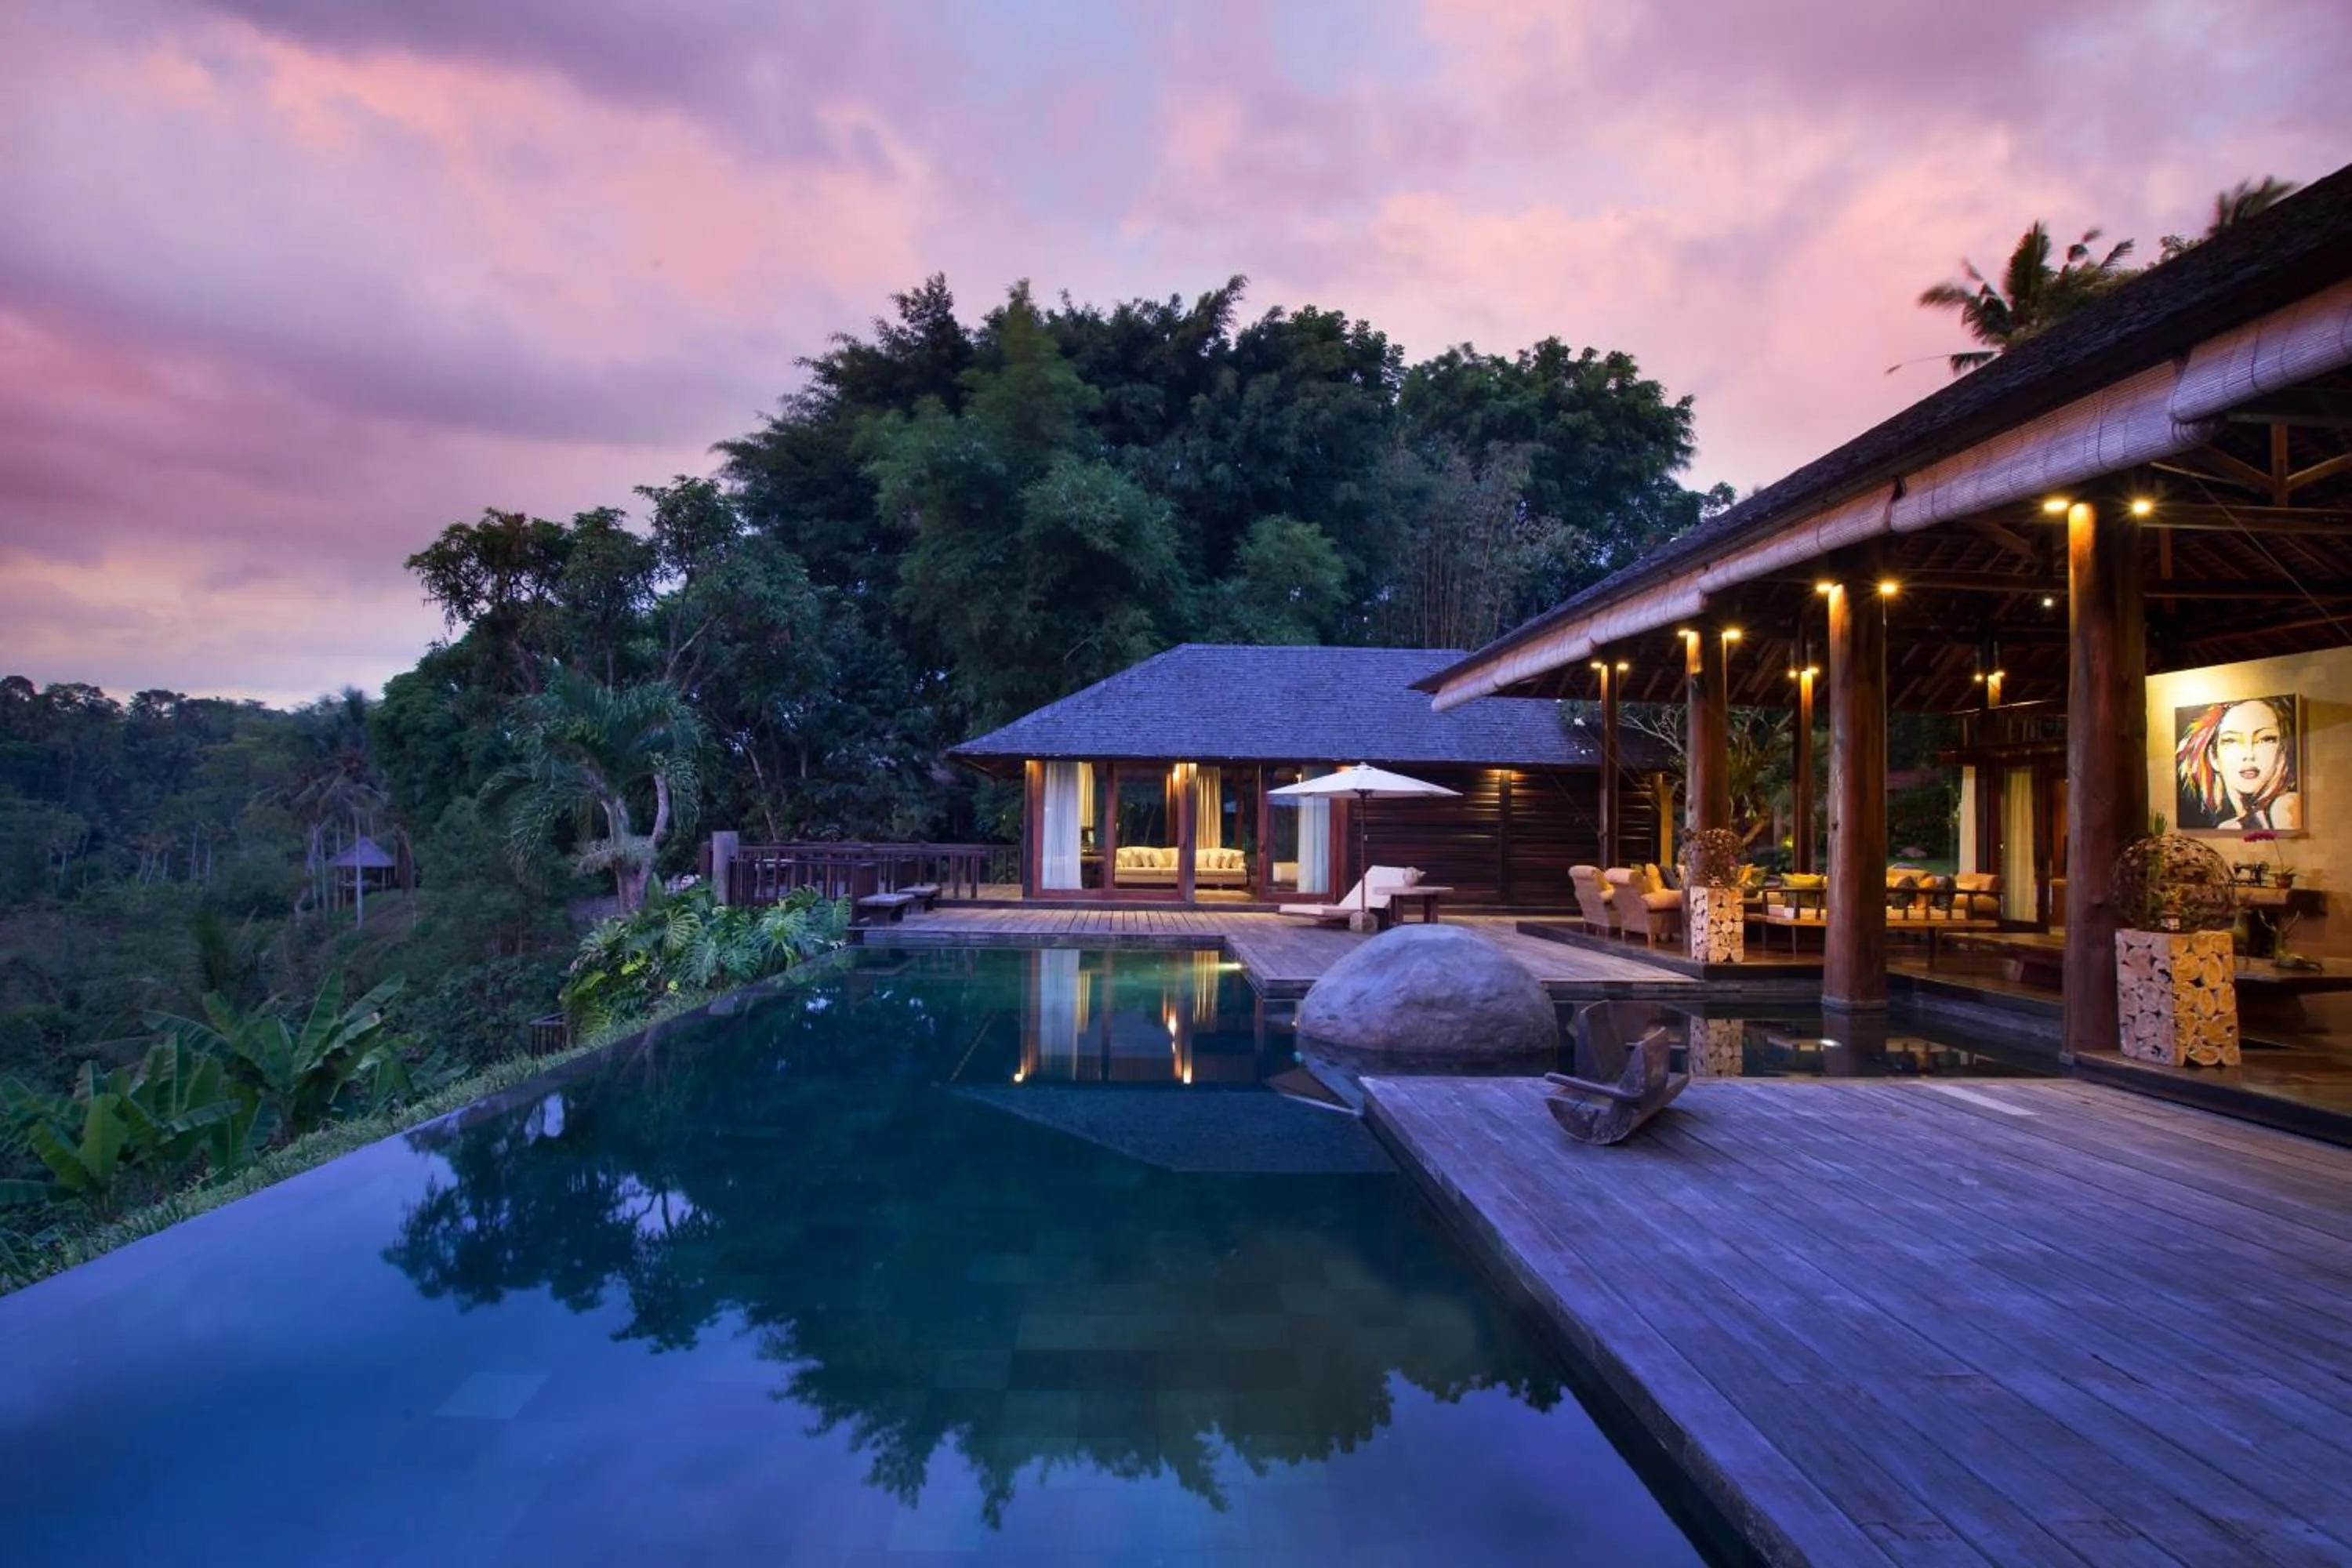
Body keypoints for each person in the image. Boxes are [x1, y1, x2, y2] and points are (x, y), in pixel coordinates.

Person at [2175, 696, 2301, 830]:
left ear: (2283, 750)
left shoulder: (2286, 806)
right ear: (2213, 757)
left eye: (2266, 739)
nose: (2248, 755)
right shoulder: (2228, 827)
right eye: (2231, 740)